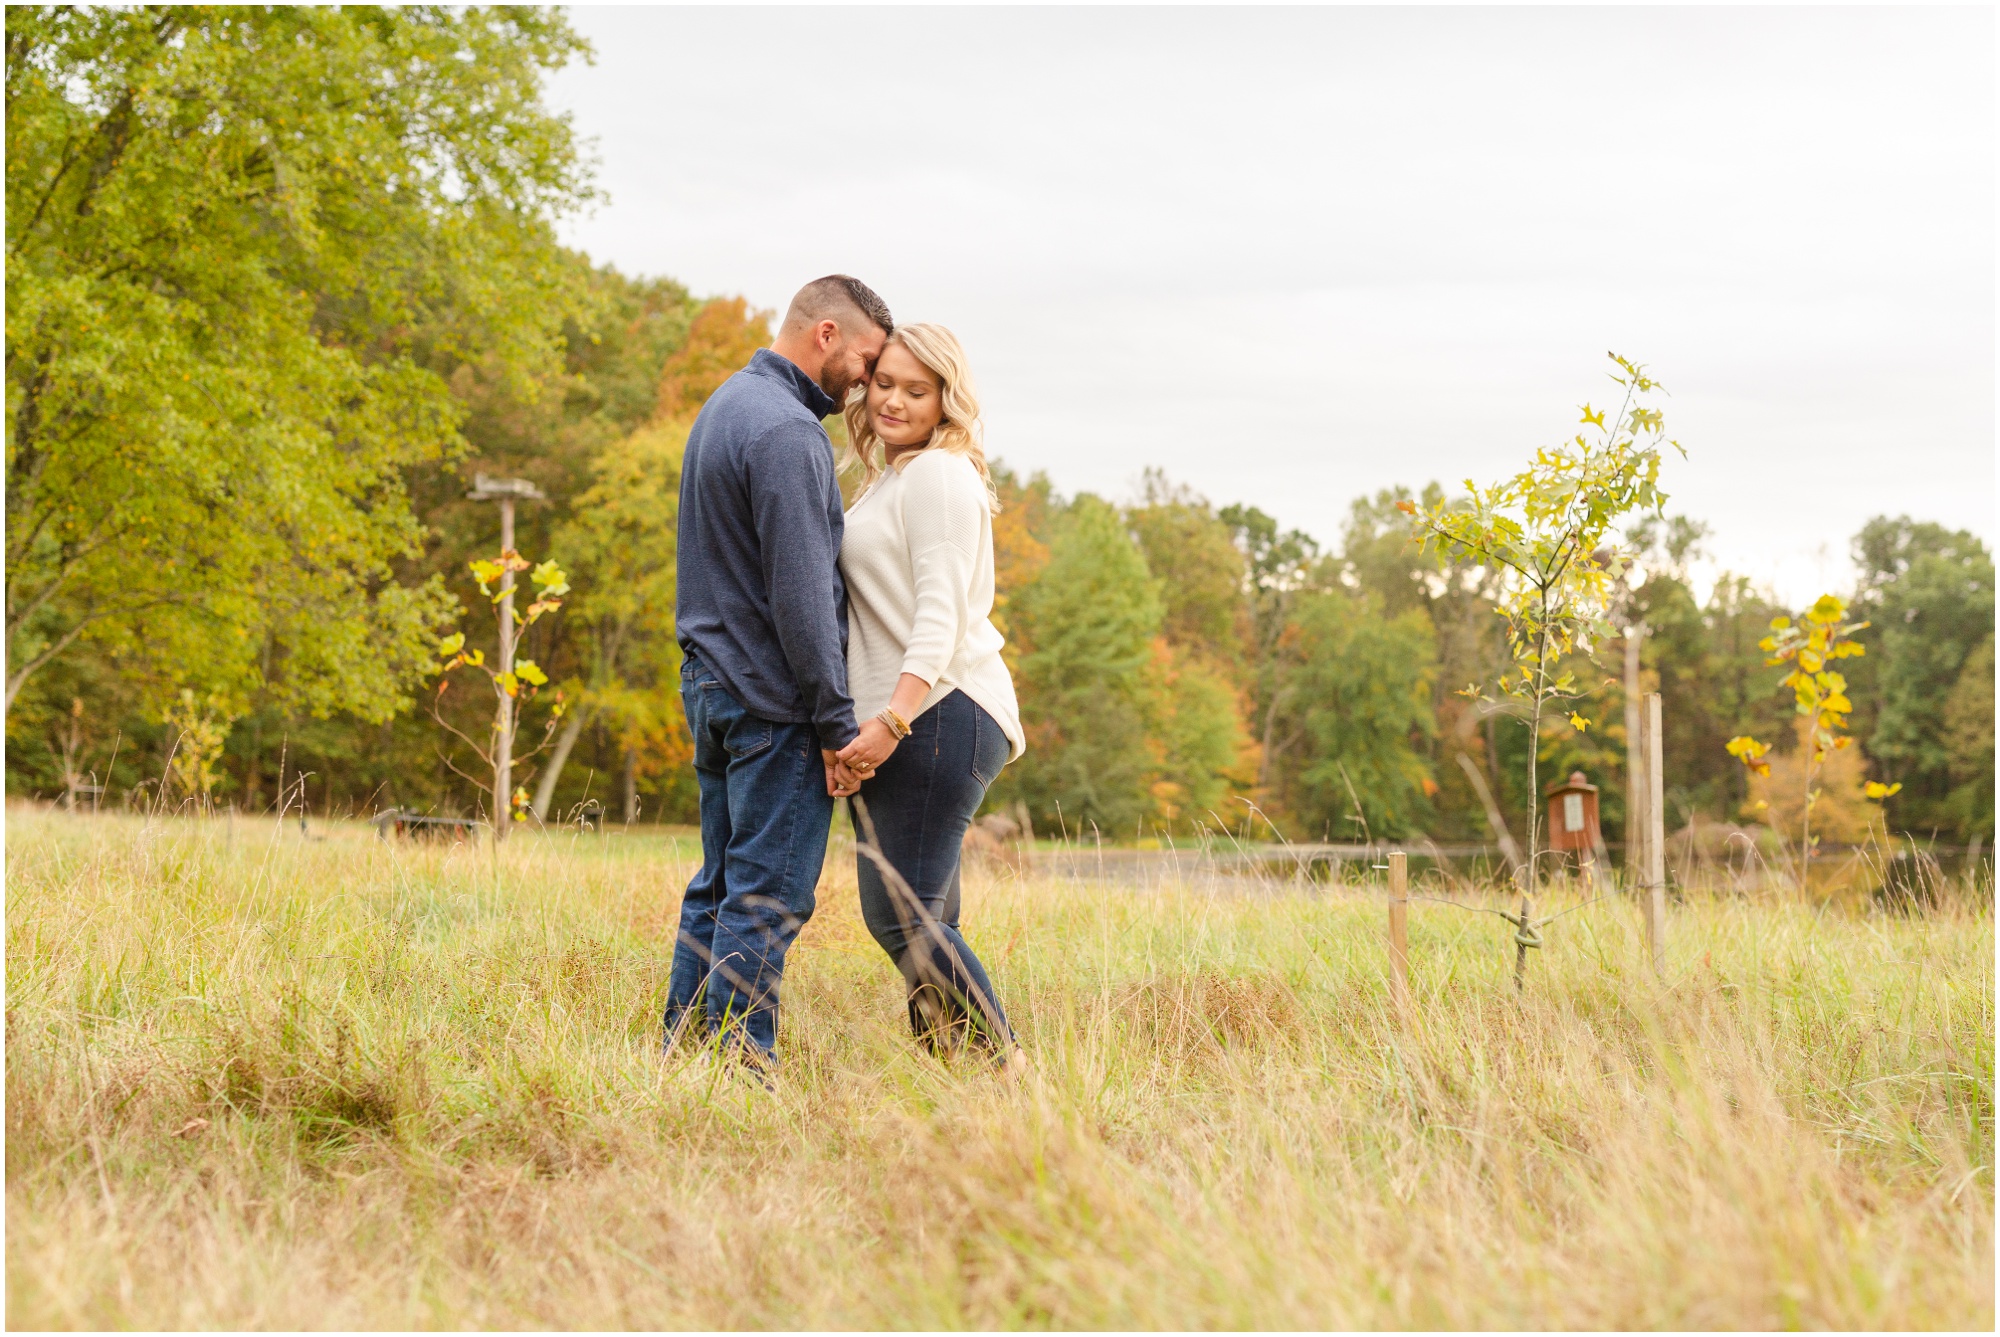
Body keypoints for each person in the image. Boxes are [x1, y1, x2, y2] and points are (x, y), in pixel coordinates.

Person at [664, 274, 891, 1067]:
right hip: (769, 703)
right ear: (826, 334)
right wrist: (836, 726)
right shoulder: (791, 433)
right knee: (768, 896)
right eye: (864, 361)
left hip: (712, 684)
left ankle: (680, 1052)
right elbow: (802, 596)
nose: (865, 382)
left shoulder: (726, 404)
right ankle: (737, 1066)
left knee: (719, 885)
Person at [832, 323, 1029, 1069]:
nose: (894, 400)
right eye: (885, 382)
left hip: (942, 709)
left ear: (947, 401)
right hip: (918, 714)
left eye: (917, 390)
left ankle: (1007, 1066)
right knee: (930, 914)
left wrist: (890, 718)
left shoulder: (940, 475)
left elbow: (939, 615)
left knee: (900, 913)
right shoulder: (892, 477)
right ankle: (952, 1079)